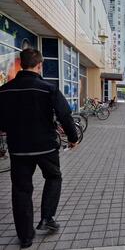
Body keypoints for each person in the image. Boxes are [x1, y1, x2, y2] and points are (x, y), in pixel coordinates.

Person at [0, 49, 78, 248]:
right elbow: (65, 116)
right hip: (46, 148)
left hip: (18, 149)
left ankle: (25, 237)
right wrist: (73, 138)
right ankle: (47, 218)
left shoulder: (5, 90)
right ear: (40, 65)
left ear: (20, 64)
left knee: (21, 189)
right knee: (53, 177)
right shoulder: (48, 88)